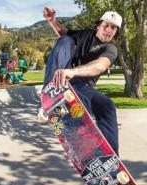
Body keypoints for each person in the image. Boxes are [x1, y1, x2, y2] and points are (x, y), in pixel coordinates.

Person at [42, 7, 122, 155]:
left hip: (80, 89)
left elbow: (100, 65)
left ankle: (108, 160)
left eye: (113, 28)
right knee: (65, 40)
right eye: (106, 25)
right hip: (60, 80)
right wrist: (52, 21)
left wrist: (73, 72)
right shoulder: (86, 34)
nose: (109, 30)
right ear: (98, 25)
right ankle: (50, 91)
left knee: (107, 106)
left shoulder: (110, 48)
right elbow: (63, 33)